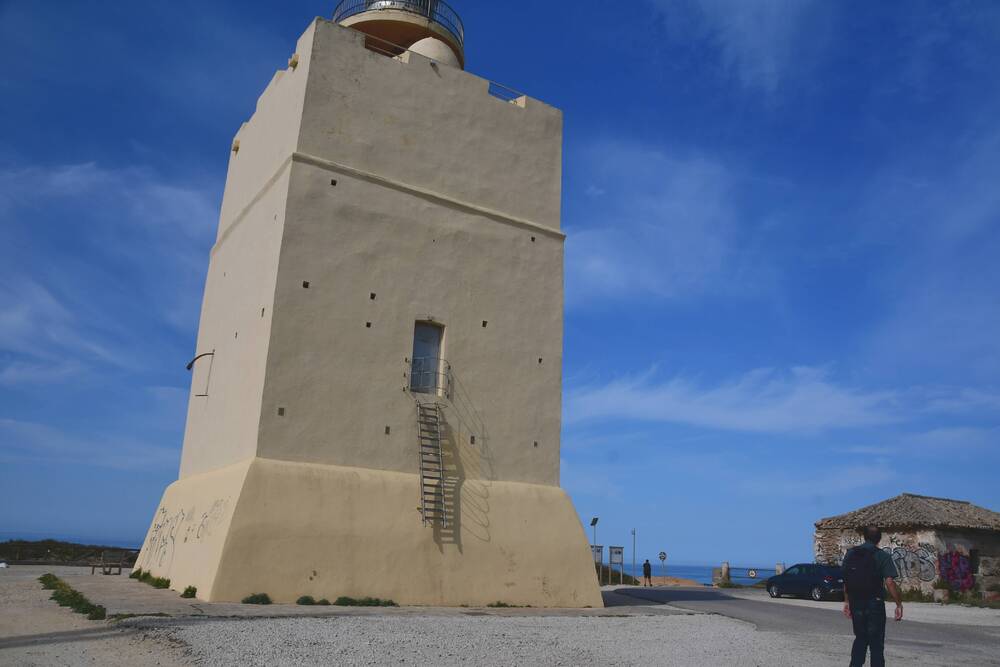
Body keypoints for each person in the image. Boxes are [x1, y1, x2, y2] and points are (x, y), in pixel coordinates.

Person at [842, 526, 903, 667]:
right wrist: (898, 604)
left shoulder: (851, 554)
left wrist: (847, 602)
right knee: (876, 643)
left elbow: (846, 580)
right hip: (875, 603)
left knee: (860, 639)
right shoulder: (882, 556)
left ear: (864, 537)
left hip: (856, 602)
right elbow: (889, 582)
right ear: (879, 538)